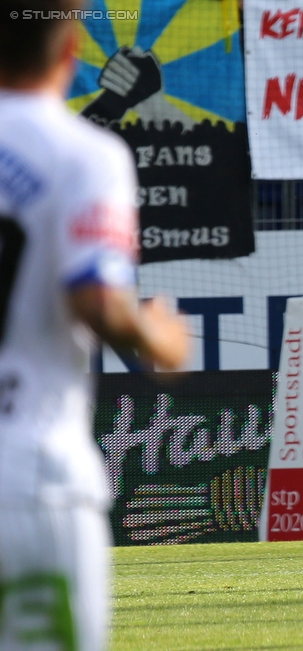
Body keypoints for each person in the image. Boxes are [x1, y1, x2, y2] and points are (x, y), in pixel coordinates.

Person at [0, 2, 190, 648]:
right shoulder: (86, 156)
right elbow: (95, 300)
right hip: (29, 473)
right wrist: (157, 337)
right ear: (70, 53)